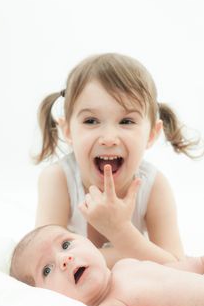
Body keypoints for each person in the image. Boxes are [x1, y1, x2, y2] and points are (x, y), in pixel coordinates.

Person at [34, 52, 202, 268]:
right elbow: (44, 261)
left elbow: (179, 267)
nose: (109, 138)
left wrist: (119, 230)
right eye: (91, 120)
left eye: (126, 121)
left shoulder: (154, 186)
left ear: (151, 133)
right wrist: (133, 254)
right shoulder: (57, 179)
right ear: (67, 130)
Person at [10, 223, 204, 306]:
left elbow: (181, 268)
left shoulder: (125, 264)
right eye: (46, 269)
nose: (64, 259)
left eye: (66, 244)